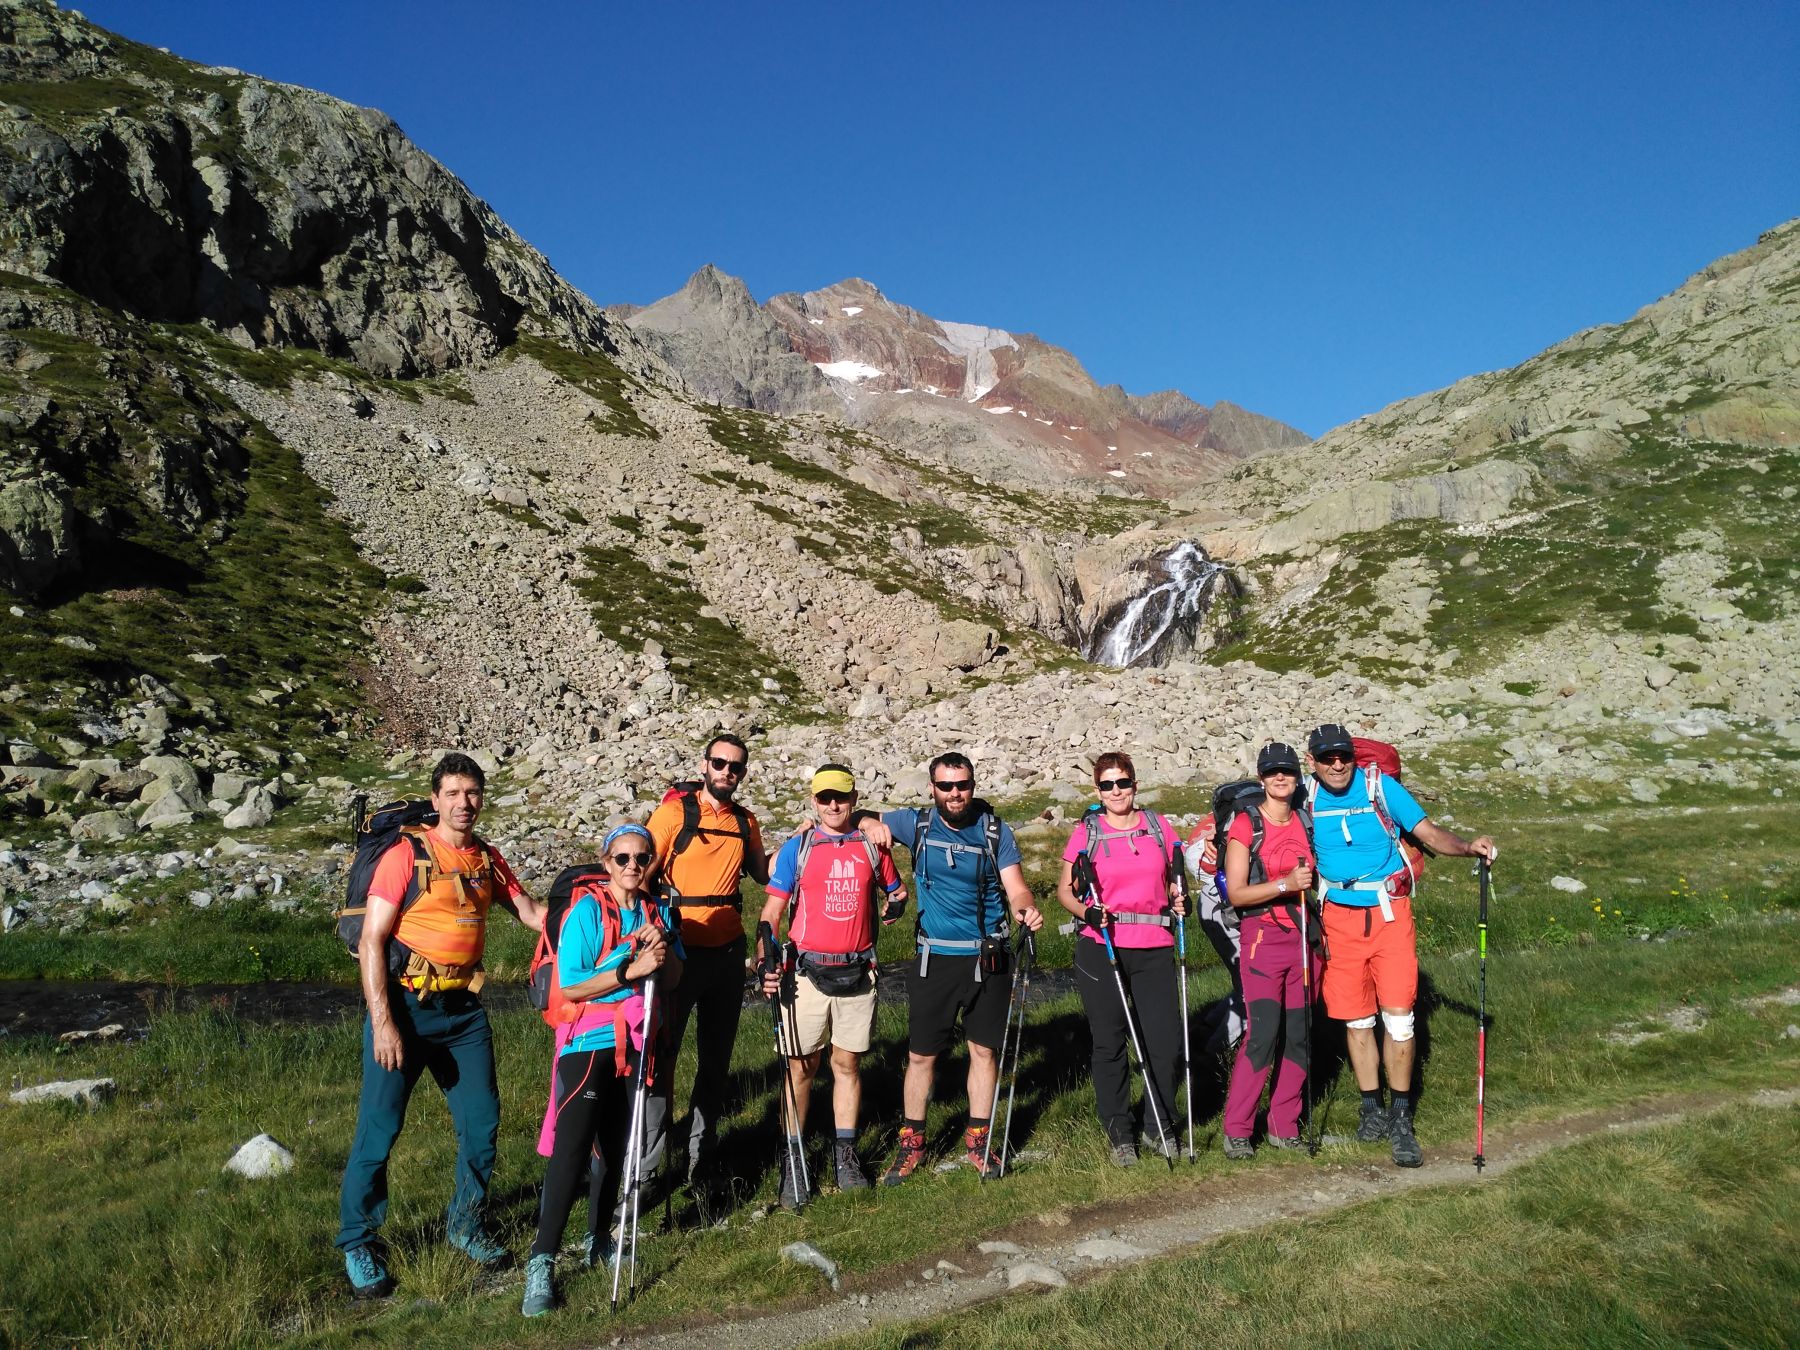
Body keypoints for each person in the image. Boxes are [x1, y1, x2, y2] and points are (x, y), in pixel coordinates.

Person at [336, 752, 545, 1298]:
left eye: (471, 792)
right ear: (435, 800)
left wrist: (606, 903)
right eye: (452, 793)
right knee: (379, 1130)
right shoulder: (407, 855)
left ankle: (465, 1223)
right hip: (405, 1009)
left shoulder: (487, 858)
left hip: (463, 1014)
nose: (463, 803)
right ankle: (358, 1241)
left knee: (482, 1122)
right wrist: (383, 1023)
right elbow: (371, 942)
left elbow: (531, 913)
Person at [1304, 723, 1498, 1168]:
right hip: (1337, 920)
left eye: (1344, 756)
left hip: (1389, 915)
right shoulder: (1305, 797)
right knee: (1356, 1021)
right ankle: (1371, 1109)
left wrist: (1468, 847)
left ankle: (1401, 1117)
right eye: (1328, 758)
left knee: (1399, 1020)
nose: (1338, 765)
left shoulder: (1380, 787)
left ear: (1353, 756)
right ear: (1312, 761)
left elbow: (1429, 834)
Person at [857, 751, 1045, 1183]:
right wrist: (869, 822)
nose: (955, 793)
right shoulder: (916, 824)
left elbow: (1016, 887)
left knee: (984, 1051)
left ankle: (979, 1140)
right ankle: (912, 1144)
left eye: (962, 785)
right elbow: (851, 816)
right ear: (932, 788)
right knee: (920, 1055)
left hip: (988, 957)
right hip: (934, 958)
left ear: (973, 786)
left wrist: (1026, 909)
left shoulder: (995, 831)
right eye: (946, 786)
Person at [522, 824, 683, 1318]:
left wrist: (663, 946)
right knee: (572, 1150)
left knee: (615, 1146)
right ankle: (541, 1261)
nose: (633, 866)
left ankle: (598, 1240)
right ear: (606, 861)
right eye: (622, 858)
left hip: (636, 1041)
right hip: (588, 1041)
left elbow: (673, 978)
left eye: (641, 858)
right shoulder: (588, 911)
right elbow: (571, 986)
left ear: (650, 863)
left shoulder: (657, 912)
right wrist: (630, 970)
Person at [756, 764, 904, 1207]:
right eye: (824, 798)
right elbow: (771, 912)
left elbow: (895, 891)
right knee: (800, 1068)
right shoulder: (798, 848)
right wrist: (765, 956)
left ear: (854, 799)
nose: (833, 805)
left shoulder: (872, 846)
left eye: (840, 797)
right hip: (805, 975)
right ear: (814, 801)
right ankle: (793, 1161)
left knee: (847, 1065)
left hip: (858, 971)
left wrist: (895, 906)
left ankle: (845, 1156)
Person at [644, 733, 769, 1197]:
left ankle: (702, 1158)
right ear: (704, 765)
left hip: (729, 952)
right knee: (662, 1059)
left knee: (716, 1061)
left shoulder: (745, 821)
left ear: (743, 773)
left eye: (735, 767)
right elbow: (642, 875)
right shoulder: (673, 814)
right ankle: (647, 1168)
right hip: (678, 953)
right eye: (720, 763)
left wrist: (805, 840)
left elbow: (764, 874)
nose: (727, 772)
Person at [1055, 752, 1186, 1165]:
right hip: (1102, 946)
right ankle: (1120, 1133)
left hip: (1154, 943)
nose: (1116, 791)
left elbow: (1173, 879)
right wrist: (1087, 913)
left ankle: (1157, 1125)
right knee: (1109, 1042)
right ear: (1098, 790)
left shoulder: (1158, 826)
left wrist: (1178, 897)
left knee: (1163, 1042)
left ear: (1134, 785)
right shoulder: (1087, 832)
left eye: (1123, 782)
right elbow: (1065, 892)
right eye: (1108, 785)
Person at [1218, 742, 1319, 1160]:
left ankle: (1284, 1125)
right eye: (1273, 771)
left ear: (1297, 778)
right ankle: (1238, 1129)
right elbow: (1237, 893)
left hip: (1303, 941)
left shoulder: (1305, 820)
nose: (1281, 777)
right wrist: (1285, 885)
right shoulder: (1246, 825)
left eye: (1288, 771)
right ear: (1261, 778)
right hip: (1262, 940)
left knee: (1299, 1033)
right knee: (1261, 1035)